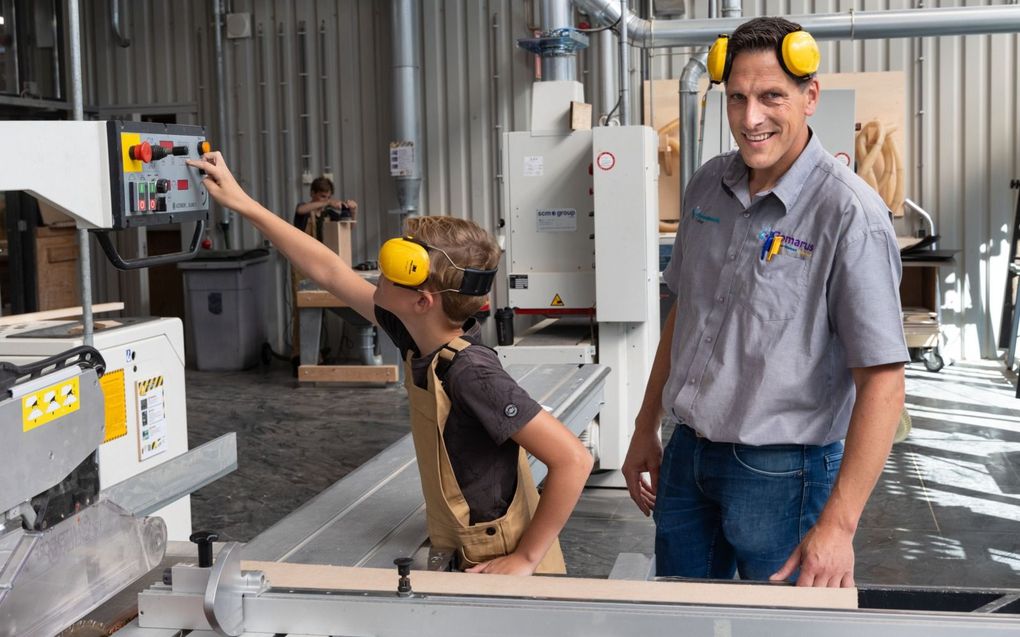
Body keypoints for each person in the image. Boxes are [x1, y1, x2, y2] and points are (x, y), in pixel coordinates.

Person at [187, 152, 593, 576]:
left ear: (423, 302)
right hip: (461, 546)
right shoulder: (417, 337)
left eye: (396, 270)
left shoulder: (471, 372)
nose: (379, 273)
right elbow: (330, 271)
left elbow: (573, 460)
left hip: (496, 558)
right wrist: (243, 203)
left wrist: (526, 559)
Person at [622, 16, 908, 588]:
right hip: (688, 458)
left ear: (809, 97)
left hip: (782, 472)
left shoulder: (847, 214)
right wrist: (644, 425)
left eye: (771, 96)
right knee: (679, 621)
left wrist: (840, 526)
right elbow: (686, 315)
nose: (751, 119)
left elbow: (883, 379)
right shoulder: (707, 186)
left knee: (779, 628)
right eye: (737, 99)